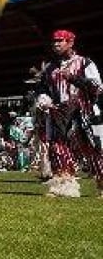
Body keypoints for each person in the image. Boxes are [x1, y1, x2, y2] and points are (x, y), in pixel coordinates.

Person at [35, 29, 103, 197]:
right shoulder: (50, 68)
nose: (56, 44)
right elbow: (42, 88)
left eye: (60, 41)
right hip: (59, 114)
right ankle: (64, 186)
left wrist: (73, 78)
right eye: (54, 41)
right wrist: (43, 98)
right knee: (58, 148)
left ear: (71, 43)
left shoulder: (85, 63)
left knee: (94, 148)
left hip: (84, 112)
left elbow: (98, 87)